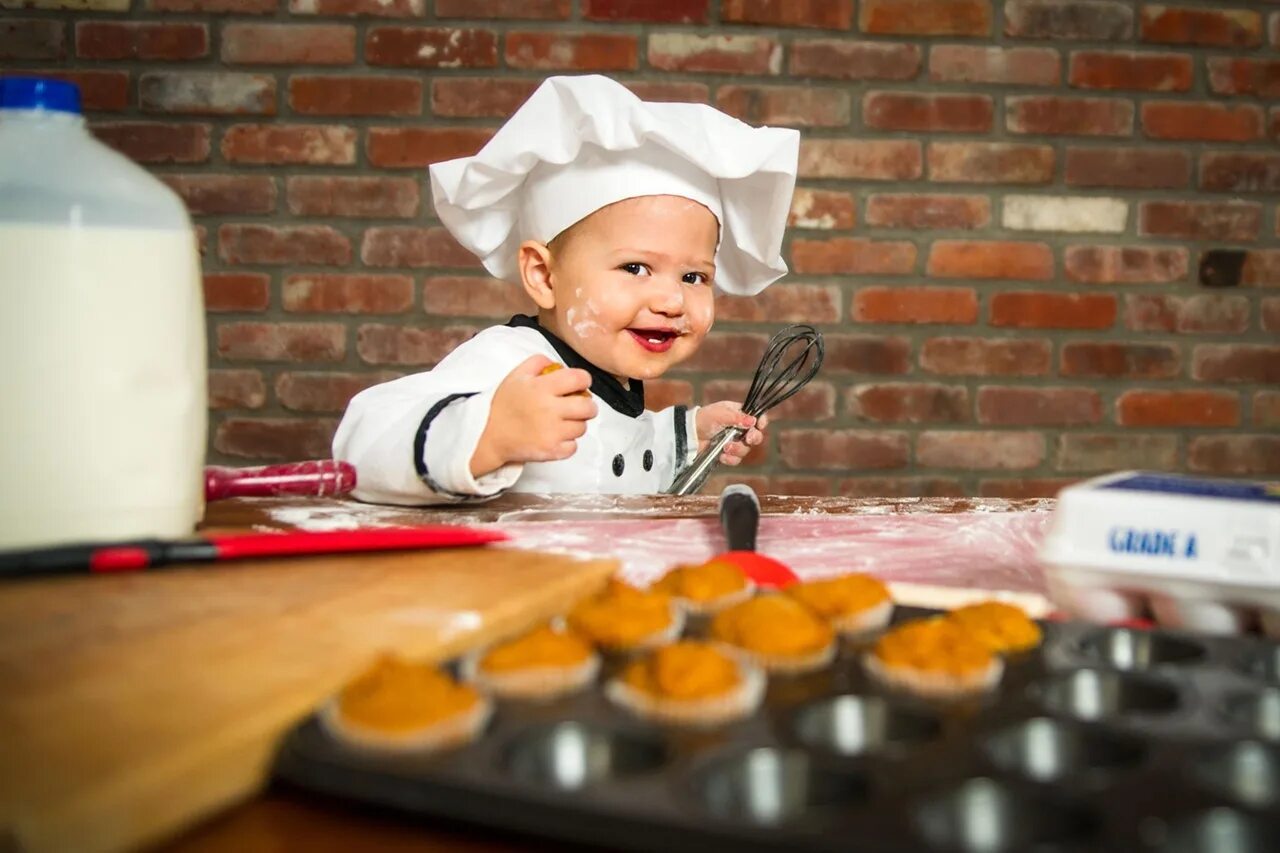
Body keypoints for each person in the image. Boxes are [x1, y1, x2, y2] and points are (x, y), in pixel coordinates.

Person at [333, 75, 800, 505]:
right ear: (543, 276)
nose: (672, 300)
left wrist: (692, 434)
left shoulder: (614, 378)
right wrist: (487, 432)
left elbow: (623, 447)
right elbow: (363, 443)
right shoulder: (510, 363)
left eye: (693, 277)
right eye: (635, 267)